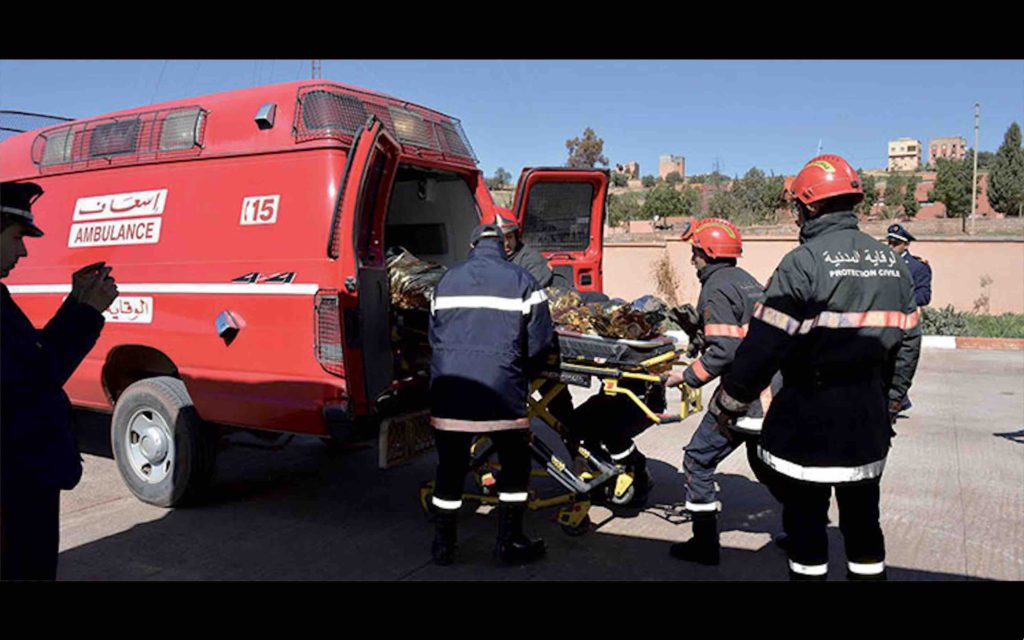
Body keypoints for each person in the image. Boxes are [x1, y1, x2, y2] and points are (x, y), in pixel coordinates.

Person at [711, 155, 921, 581]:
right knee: (864, 524)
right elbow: (910, 342)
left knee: (807, 527)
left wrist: (728, 404)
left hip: (809, 419)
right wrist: (892, 400)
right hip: (867, 417)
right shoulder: (892, 263)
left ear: (808, 207)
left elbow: (763, 347)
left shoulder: (802, 263)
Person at [1, 181, 118, 580]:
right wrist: (86, 314)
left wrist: (76, 305)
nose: (23, 250)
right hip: (13, 484)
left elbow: (32, 357)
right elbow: (33, 380)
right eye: (16, 237)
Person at [428, 223, 555, 566]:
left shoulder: (445, 282)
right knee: (514, 467)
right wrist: (518, 369)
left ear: (472, 246)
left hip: (450, 390)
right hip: (501, 392)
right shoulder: (522, 281)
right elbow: (540, 341)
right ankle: (509, 542)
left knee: (450, 468)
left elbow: (434, 336)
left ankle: (443, 546)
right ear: (503, 247)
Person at [662, 218, 782, 566]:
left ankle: (703, 545)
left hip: (744, 400)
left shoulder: (715, 288)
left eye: (695, 252)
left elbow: (725, 351)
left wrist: (685, 376)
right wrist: (699, 335)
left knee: (698, 460)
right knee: (766, 465)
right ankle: (804, 526)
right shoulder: (747, 282)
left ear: (706, 252)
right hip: (769, 396)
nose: (692, 259)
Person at [496, 211, 572, 291]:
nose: (506, 243)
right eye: (501, 238)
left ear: (516, 237)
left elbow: (524, 292)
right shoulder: (489, 261)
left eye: (509, 237)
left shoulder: (531, 260)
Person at [886, 223, 932, 307]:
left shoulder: (918, 267)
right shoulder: (881, 263)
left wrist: (898, 299)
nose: (890, 246)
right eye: (889, 242)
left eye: (895, 243)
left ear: (906, 245)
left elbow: (923, 296)